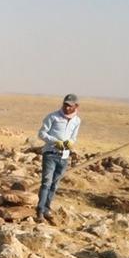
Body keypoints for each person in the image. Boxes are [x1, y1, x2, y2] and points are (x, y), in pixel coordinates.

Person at [36, 93, 81, 224]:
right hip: (50, 153)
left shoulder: (77, 121)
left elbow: (74, 136)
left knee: (55, 184)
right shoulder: (53, 117)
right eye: (65, 105)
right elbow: (41, 133)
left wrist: (71, 142)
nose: (67, 108)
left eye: (70, 106)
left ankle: (47, 209)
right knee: (46, 182)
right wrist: (55, 141)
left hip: (64, 155)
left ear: (76, 106)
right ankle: (39, 210)